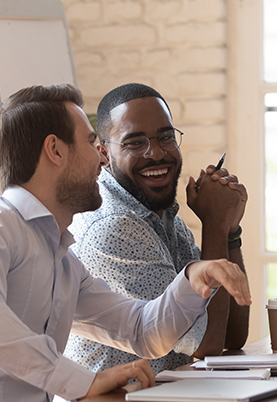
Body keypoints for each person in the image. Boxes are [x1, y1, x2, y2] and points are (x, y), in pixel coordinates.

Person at [0, 84, 252, 402]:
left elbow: (143, 331)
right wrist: (83, 382)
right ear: (56, 151)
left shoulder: (59, 255)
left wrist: (193, 278)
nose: (101, 157)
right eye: (92, 141)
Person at [64, 83, 249, 374]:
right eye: (135, 143)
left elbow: (233, 336)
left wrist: (230, 231)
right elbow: (207, 344)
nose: (156, 153)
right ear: (103, 154)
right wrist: (215, 223)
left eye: (166, 137)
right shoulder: (114, 226)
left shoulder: (159, 212)